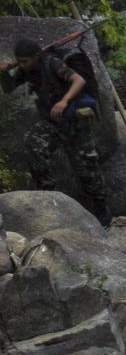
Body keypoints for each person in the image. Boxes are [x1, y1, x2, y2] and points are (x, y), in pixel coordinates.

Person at [0, 39, 111, 224]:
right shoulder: (27, 69)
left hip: (75, 119)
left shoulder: (53, 63)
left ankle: (102, 212)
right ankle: (48, 194)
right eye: (19, 61)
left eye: (25, 61)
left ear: (35, 57)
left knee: (86, 167)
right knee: (33, 145)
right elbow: (9, 88)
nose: (22, 65)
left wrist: (64, 100)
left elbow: (79, 80)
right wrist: (3, 73)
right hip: (53, 121)